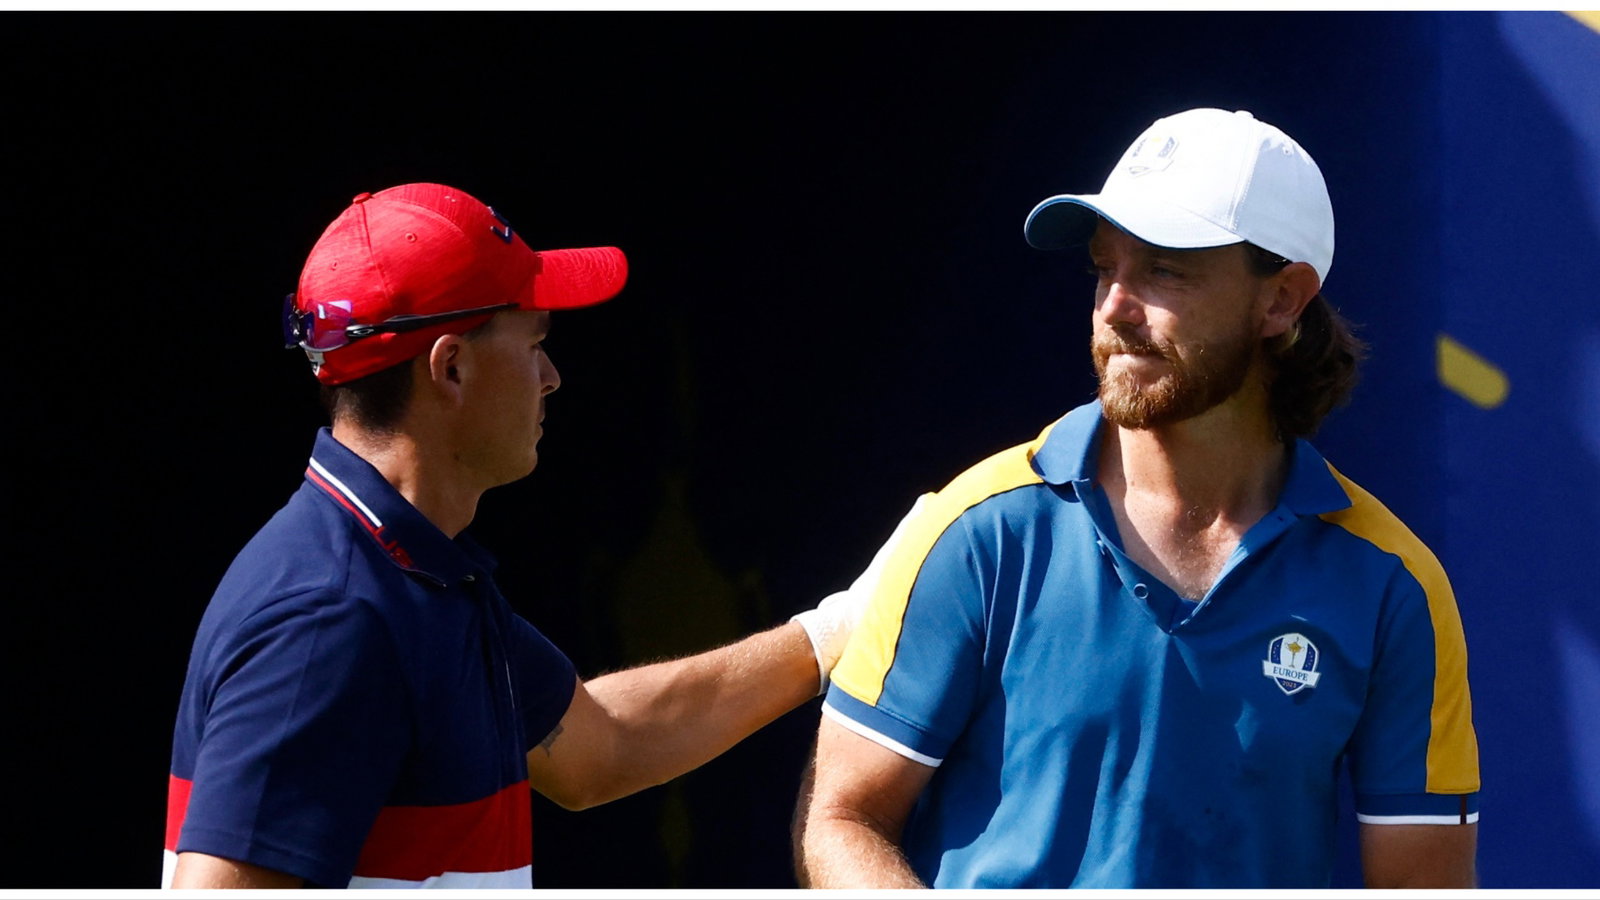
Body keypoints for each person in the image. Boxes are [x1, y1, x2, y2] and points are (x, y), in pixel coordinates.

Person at [794, 108, 1480, 889]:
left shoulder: (1395, 586)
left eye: (1164, 269)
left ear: (1283, 299)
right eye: (1102, 268)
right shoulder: (978, 527)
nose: (1115, 307)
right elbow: (843, 820)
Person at [163, 182, 907, 889]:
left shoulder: (417, 574)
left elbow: (604, 745)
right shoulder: (332, 617)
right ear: (449, 368)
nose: (551, 377)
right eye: (533, 343)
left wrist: (839, 628)